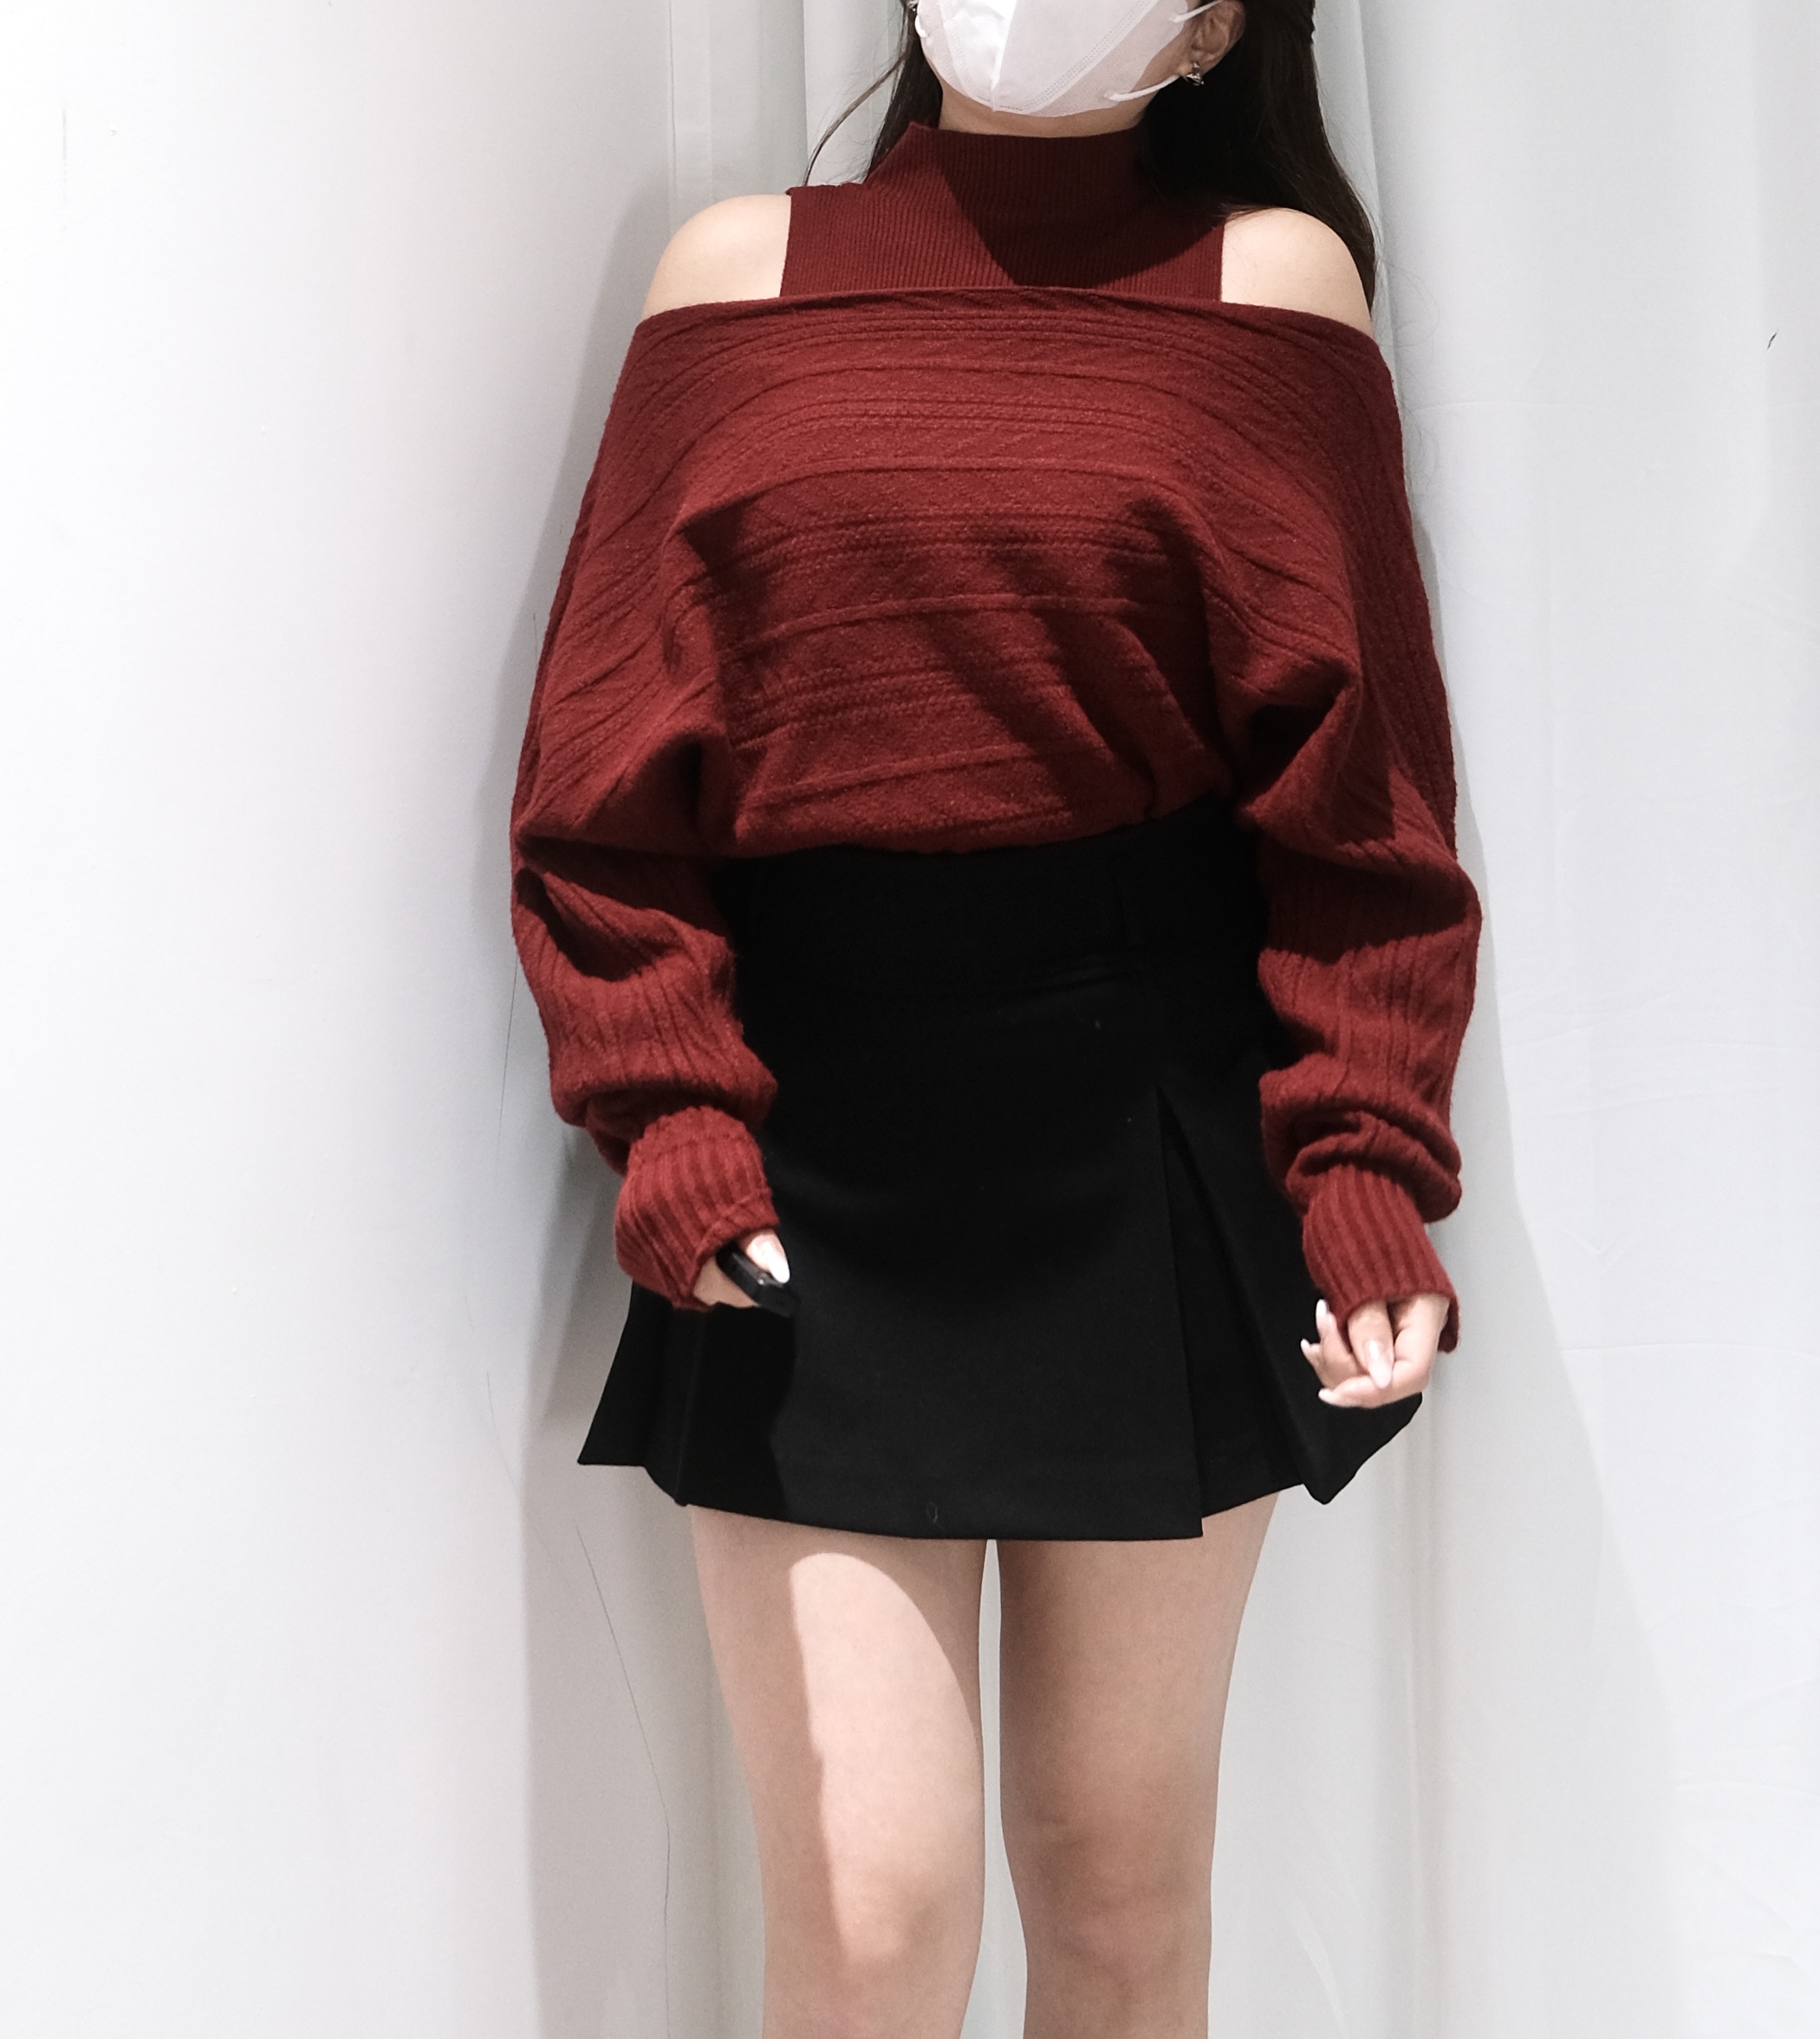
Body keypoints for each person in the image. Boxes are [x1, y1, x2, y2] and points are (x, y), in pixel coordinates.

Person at [510, 1, 1479, 2030]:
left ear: (1212, 23)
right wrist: (671, 1118)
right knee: (871, 1910)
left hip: (1151, 1126)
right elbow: (602, 788)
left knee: (1115, 1890)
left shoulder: (1272, 283)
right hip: (801, 1143)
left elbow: (1362, 811)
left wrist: (1364, 1165)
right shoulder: (737, 272)